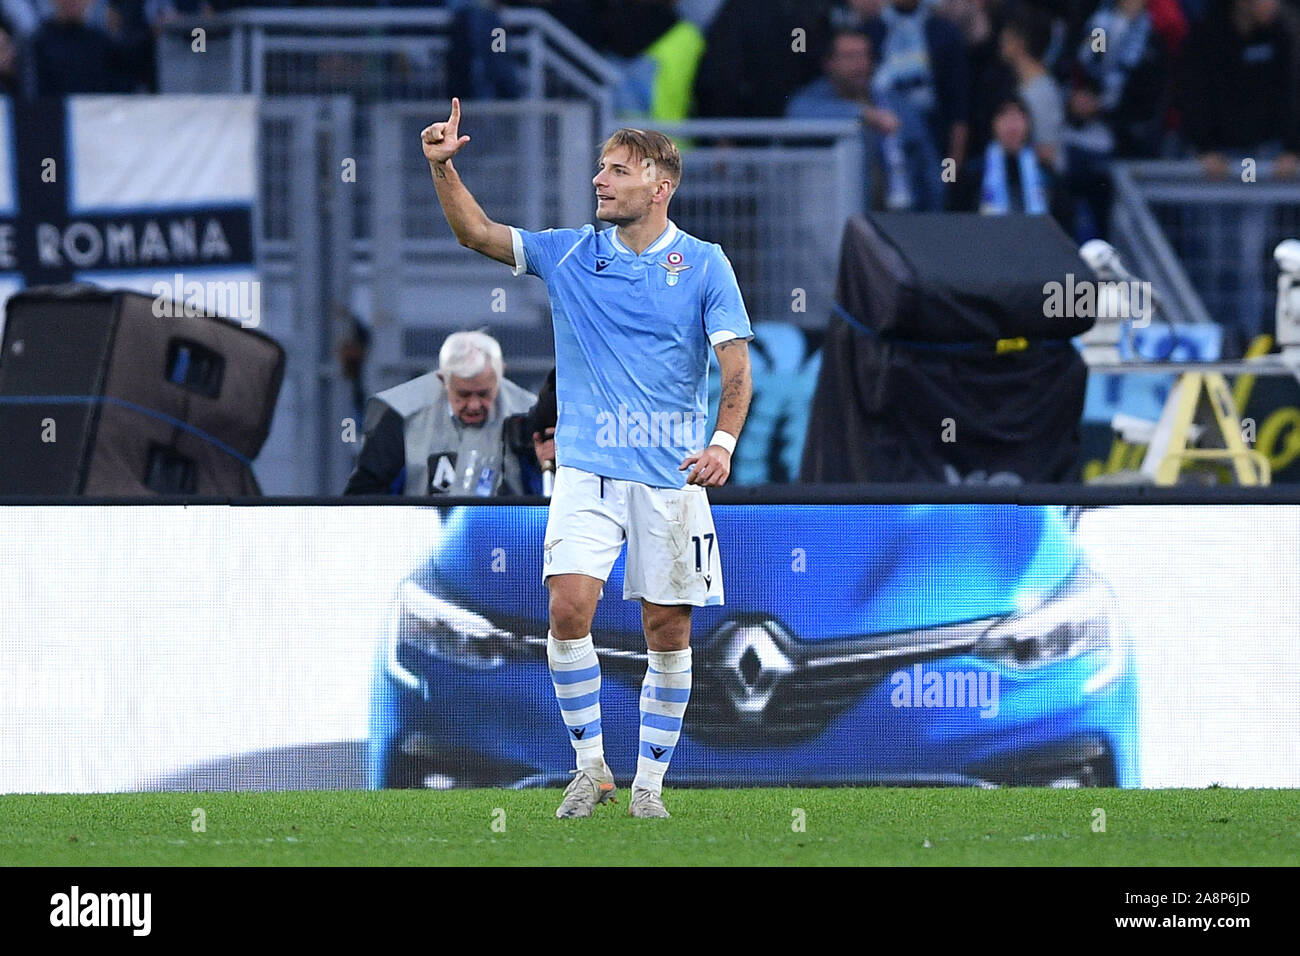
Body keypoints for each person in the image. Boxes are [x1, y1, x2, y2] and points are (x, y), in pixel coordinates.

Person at [421, 99, 753, 819]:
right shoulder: (571, 252)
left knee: (667, 629)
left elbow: (735, 369)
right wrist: (443, 167)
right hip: (586, 470)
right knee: (568, 608)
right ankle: (591, 767)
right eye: (600, 166)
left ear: (659, 186)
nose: (598, 179)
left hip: (671, 478)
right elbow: (477, 232)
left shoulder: (703, 265)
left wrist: (722, 445)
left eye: (616, 169)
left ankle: (650, 786)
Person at [342, 330, 538, 496]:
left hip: (509, 533)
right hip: (420, 533)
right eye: (463, 394)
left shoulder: (529, 413)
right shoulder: (400, 414)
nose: (474, 405)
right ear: (443, 379)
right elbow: (366, 496)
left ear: (500, 374)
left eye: (484, 393)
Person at [786, 27, 943, 210]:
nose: (860, 64)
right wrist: (864, 115)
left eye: (864, 55)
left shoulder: (897, 105)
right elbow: (796, 114)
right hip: (834, 218)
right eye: (850, 56)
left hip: (900, 218)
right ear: (829, 63)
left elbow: (929, 169)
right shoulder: (812, 100)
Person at [951, 95, 1058, 216]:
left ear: (1028, 123)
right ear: (993, 123)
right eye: (1005, 117)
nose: (1012, 125)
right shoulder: (973, 173)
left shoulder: (1045, 172)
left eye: (1017, 117)